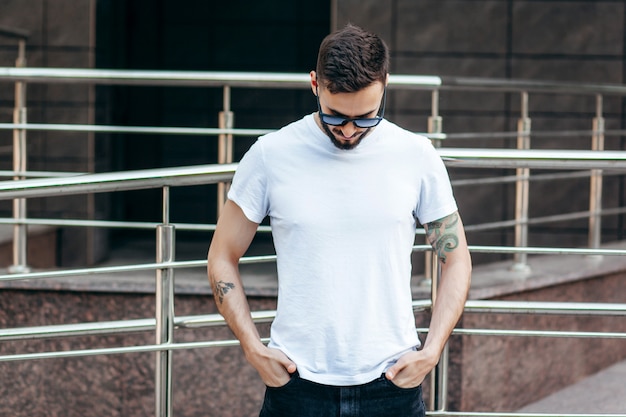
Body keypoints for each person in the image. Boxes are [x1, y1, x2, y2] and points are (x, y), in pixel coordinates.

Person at [207, 24, 472, 417]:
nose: (349, 130)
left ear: (385, 85)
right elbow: (222, 256)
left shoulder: (416, 155)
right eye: (335, 116)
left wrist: (432, 350)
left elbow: (456, 257)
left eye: (366, 117)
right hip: (297, 387)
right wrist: (252, 347)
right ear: (315, 84)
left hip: (392, 384)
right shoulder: (271, 155)